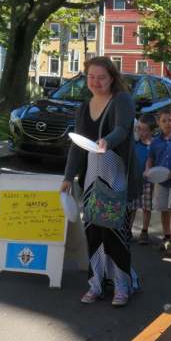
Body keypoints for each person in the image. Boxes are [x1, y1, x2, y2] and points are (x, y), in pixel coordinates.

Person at [62, 56, 141, 307]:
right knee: (94, 232)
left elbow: (122, 129)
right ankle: (96, 284)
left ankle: (122, 285)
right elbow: (77, 146)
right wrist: (68, 177)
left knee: (115, 233)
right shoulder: (83, 108)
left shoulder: (121, 100)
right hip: (90, 179)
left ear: (112, 78)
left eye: (101, 77)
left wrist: (108, 141)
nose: (96, 82)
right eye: (91, 77)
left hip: (116, 177)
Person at [147, 107, 171, 256]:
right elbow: (150, 158)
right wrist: (148, 170)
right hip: (160, 181)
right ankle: (166, 236)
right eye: (164, 121)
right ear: (158, 123)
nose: (167, 123)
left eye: (170, 120)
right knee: (163, 210)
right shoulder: (155, 142)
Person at [133, 115, 155, 244]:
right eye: (139, 129)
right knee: (132, 206)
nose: (141, 132)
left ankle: (144, 231)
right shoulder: (135, 144)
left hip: (148, 181)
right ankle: (128, 230)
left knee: (147, 207)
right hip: (135, 180)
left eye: (144, 129)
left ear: (151, 131)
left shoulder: (154, 145)